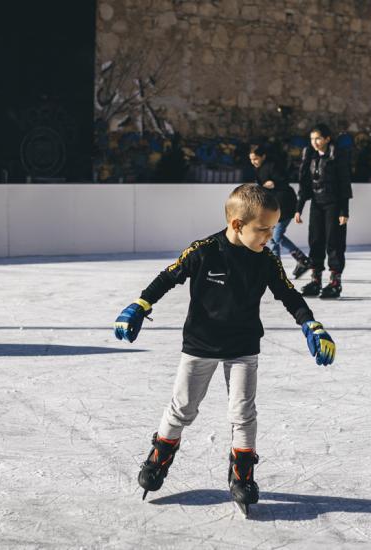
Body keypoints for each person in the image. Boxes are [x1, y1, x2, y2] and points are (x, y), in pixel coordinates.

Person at [113, 183, 336, 516]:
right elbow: (168, 276)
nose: (269, 236)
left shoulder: (266, 261)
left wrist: (311, 324)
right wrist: (140, 304)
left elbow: (289, 294)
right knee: (182, 407)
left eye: (273, 228)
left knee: (243, 413)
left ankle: (242, 474)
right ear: (237, 225)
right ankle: (159, 456)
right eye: (263, 229)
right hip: (200, 345)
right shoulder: (204, 250)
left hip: (243, 346)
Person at [295, 123, 353, 299]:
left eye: (318, 138)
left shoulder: (338, 156)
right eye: (312, 139)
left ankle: (335, 282)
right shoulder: (310, 156)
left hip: (334, 205)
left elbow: (344, 185)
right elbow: (304, 185)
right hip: (317, 205)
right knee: (315, 240)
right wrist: (299, 209)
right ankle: (316, 281)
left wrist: (344, 211)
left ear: (327, 139)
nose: (315, 142)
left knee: (334, 242)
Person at [249, 144, 312, 277]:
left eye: (255, 159)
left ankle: (295, 261)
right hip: (273, 208)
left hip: (285, 206)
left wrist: (275, 184)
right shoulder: (258, 170)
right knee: (273, 238)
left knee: (275, 237)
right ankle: (282, 265)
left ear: (263, 157)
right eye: (251, 159)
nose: (253, 162)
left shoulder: (273, 166)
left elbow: (285, 181)